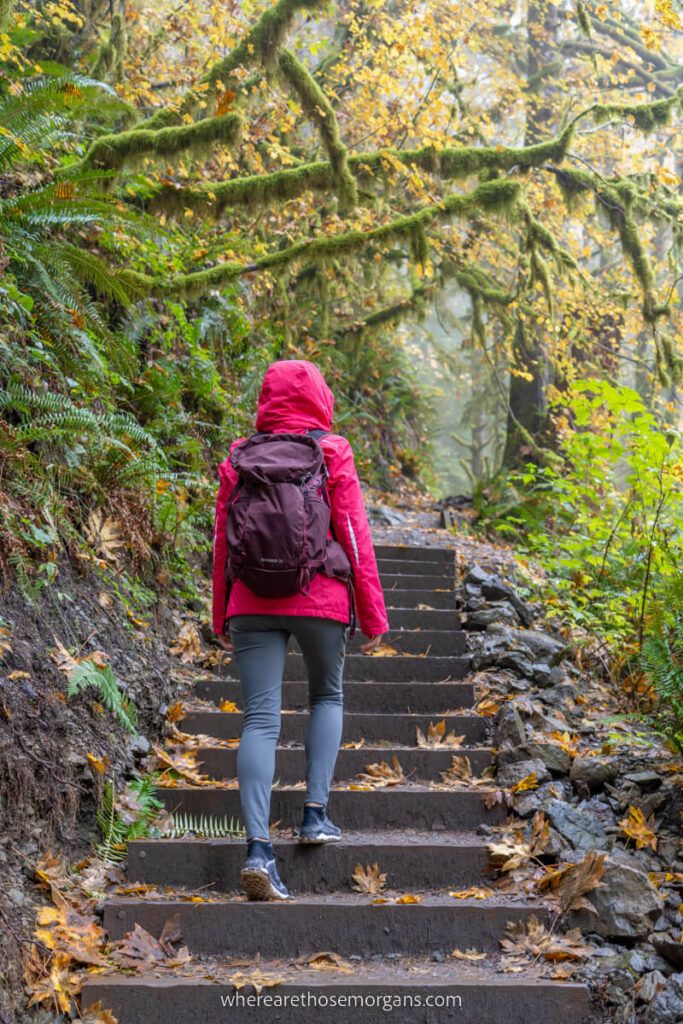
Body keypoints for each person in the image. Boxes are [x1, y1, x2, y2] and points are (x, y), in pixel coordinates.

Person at [212, 359, 389, 900]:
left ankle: (258, 851)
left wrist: (220, 611)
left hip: (250, 601)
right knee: (326, 695)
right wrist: (373, 613)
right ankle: (315, 816)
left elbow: (222, 542)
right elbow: (355, 536)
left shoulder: (239, 456)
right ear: (320, 397)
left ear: (266, 399)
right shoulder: (331, 451)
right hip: (321, 598)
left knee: (261, 719)